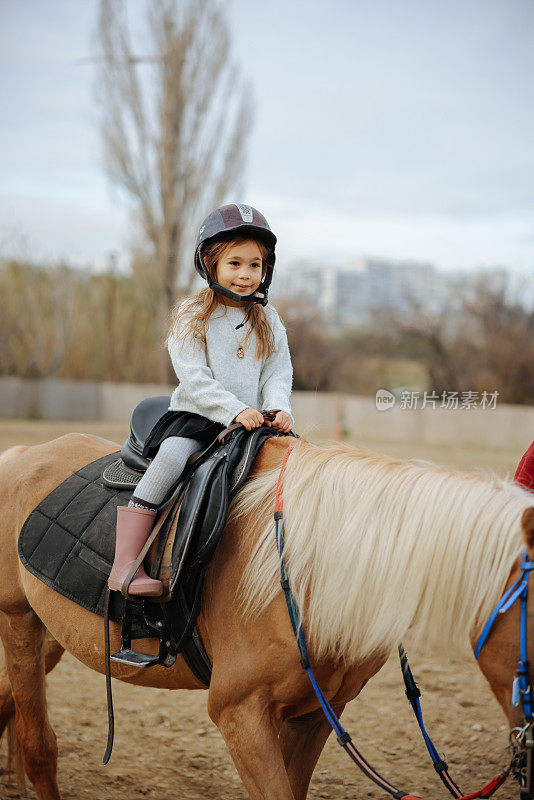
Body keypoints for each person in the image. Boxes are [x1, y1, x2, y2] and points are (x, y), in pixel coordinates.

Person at [108, 203, 294, 597]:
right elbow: (194, 377)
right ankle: (126, 565)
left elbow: (278, 371)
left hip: (252, 423)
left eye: (255, 265)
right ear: (210, 265)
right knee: (173, 459)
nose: (246, 274)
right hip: (199, 417)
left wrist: (279, 408)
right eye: (235, 263)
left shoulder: (269, 318)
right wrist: (235, 409)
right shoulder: (193, 314)